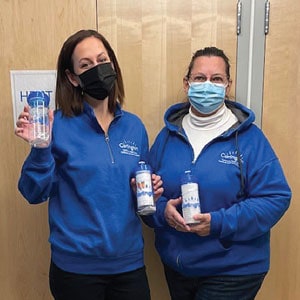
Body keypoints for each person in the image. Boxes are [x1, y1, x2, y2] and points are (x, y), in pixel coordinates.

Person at [15, 29, 162, 300]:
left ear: (113, 65)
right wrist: (41, 147)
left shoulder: (134, 127)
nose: (98, 69)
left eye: (102, 59)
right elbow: (33, 193)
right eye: (86, 65)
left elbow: (145, 207)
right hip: (75, 271)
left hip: (129, 267)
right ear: (72, 77)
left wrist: (152, 194)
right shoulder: (56, 124)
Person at [146, 46, 291, 300]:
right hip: (178, 266)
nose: (207, 85)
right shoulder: (167, 137)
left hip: (233, 269)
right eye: (200, 78)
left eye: (216, 79)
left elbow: (275, 198)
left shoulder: (249, 139)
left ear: (227, 85)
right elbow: (147, 196)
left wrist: (219, 223)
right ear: (187, 83)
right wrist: (162, 212)